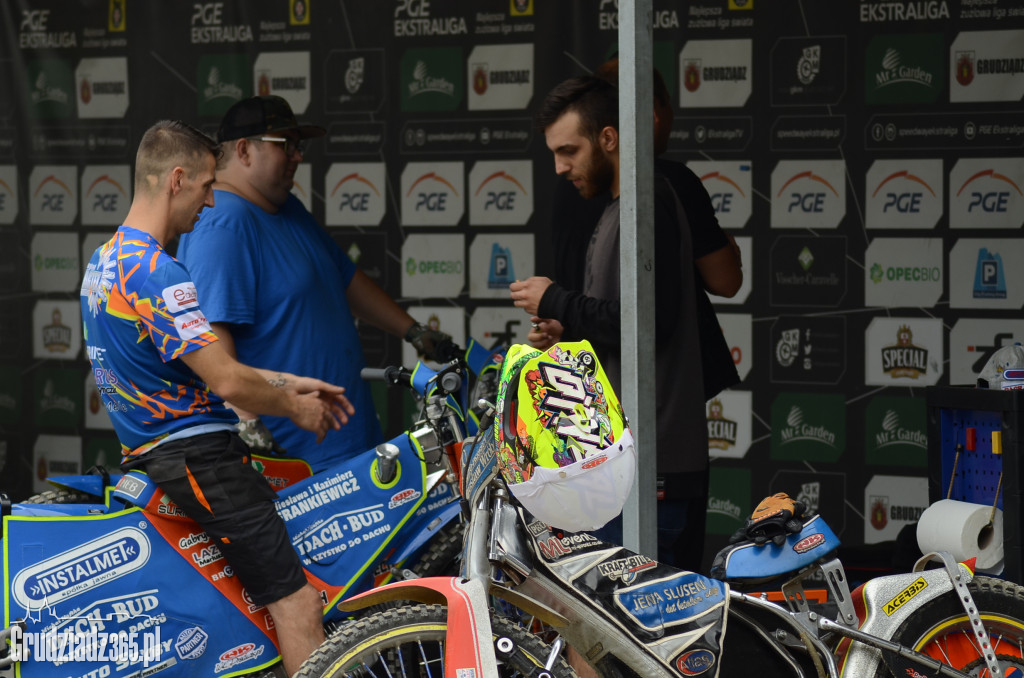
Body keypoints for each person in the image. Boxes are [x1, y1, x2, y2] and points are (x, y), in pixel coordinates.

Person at [80, 120, 354, 675]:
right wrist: (295, 406)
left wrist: (286, 382)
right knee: (299, 604)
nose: (210, 203)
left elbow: (196, 368)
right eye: (207, 186)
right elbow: (226, 381)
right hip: (200, 458)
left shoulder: (104, 262)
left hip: (161, 456)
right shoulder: (156, 271)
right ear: (177, 179)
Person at [177, 95, 448, 471]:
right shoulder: (223, 222)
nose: (298, 156)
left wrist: (414, 332)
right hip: (295, 461)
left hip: (345, 446)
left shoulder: (285, 207)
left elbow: (344, 279)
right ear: (244, 150)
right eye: (285, 145)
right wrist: (248, 427)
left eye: (298, 145)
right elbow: (211, 348)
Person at [509, 76, 709, 570]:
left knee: (643, 615)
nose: (560, 167)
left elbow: (652, 324)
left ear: (609, 138)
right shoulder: (621, 206)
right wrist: (568, 330)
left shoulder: (646, 205)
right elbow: (625, 321)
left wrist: (556, 298)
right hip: (628, 460)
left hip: (654, 465)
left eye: (569, 151)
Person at [547, 59, 742, 402]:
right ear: (653, 112)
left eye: (569, 151)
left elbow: (641, 318)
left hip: (601, 391)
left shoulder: (589, 189)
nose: (562, 167)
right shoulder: (666, 185)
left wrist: (560, 309)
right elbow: (725, 280)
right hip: (639, 395)